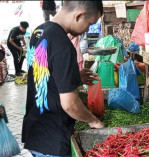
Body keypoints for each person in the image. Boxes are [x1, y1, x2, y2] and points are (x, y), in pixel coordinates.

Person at [22, 1, 104, 157]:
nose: (87, 29)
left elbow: (43, 74)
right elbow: (70, 105)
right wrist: (93, 120)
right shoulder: (64, 45)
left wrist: (75, 78)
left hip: (36, 131)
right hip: (54, 137)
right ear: (80, 15)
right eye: (89, 24)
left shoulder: (39, 31)